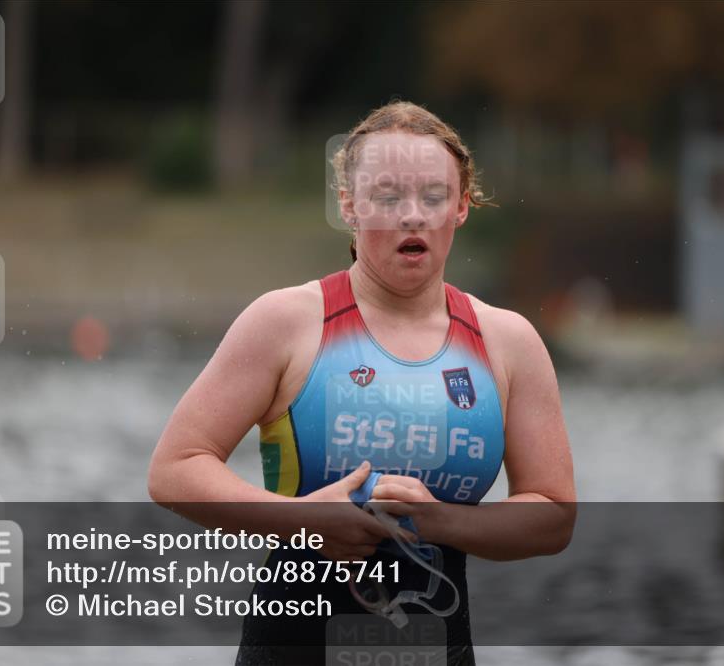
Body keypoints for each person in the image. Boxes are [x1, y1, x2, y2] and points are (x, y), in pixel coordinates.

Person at [148, 101, 576, 665]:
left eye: (432, 196)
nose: (412, 216)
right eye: (388, 196)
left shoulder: (507, 341)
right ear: (348, 205)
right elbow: (174, 468)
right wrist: (302, 522)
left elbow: (553, 514)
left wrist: (443, 520)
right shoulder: (286, 322)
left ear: (462, 207)